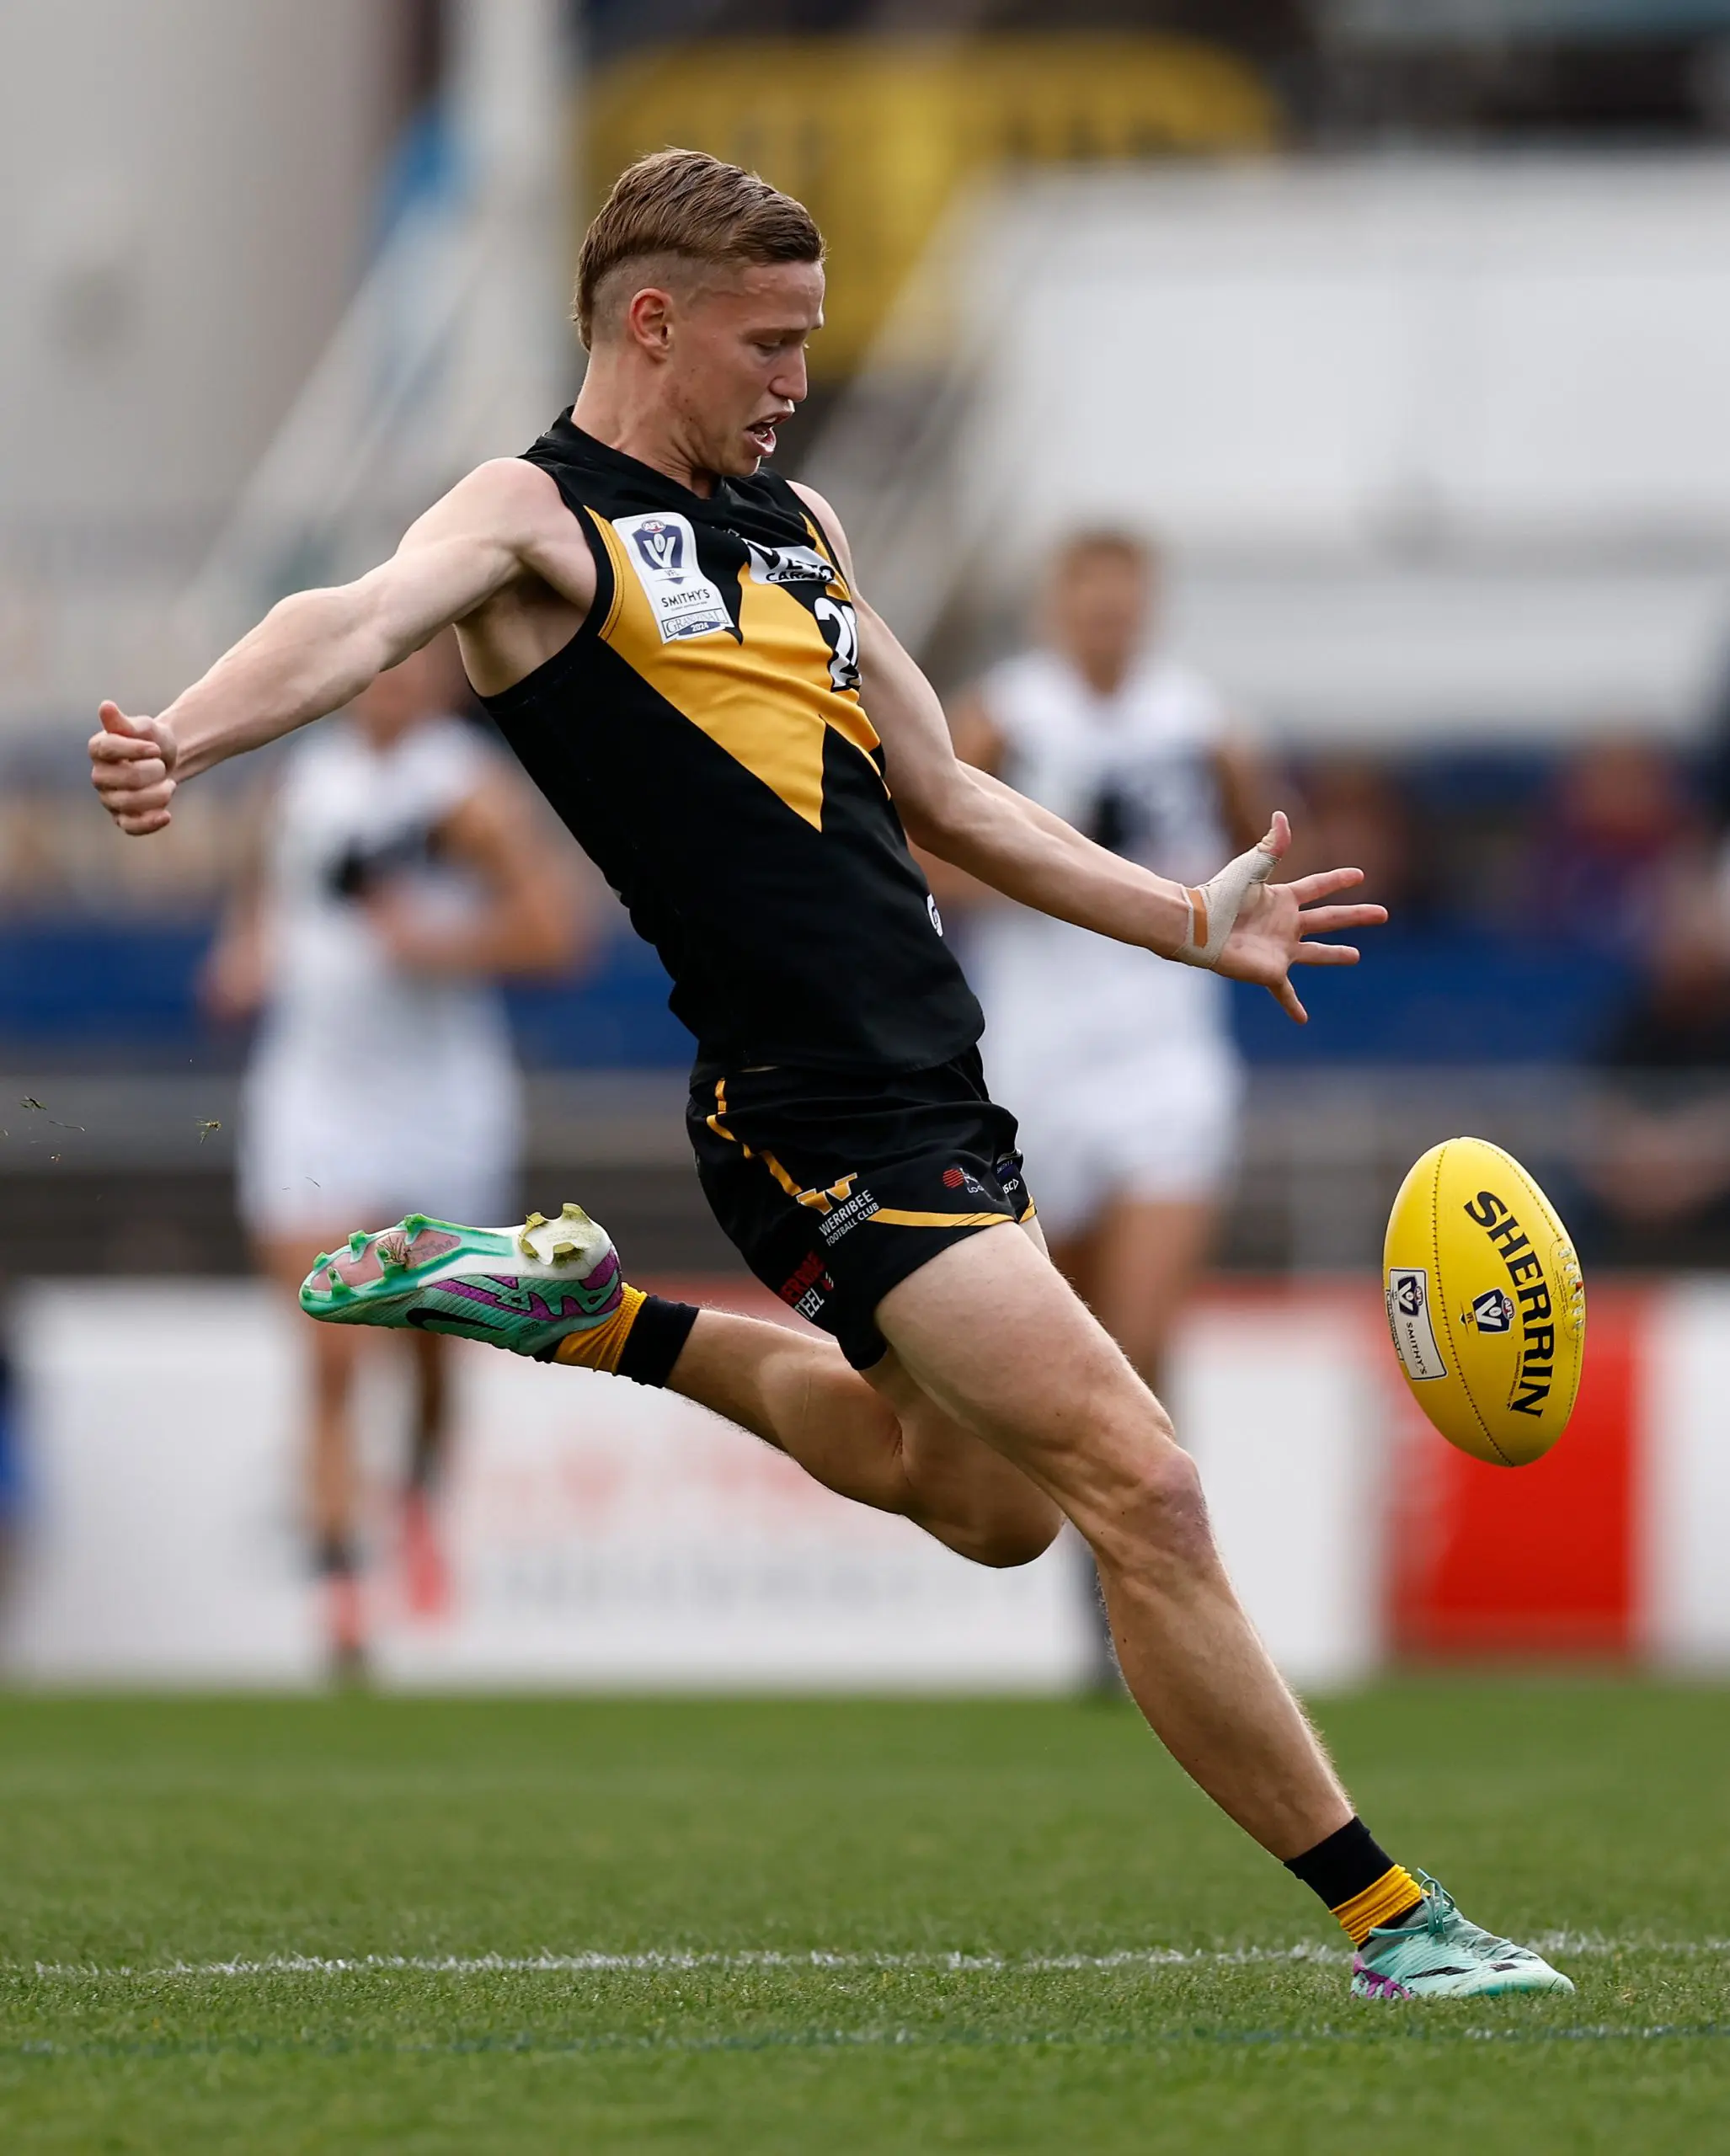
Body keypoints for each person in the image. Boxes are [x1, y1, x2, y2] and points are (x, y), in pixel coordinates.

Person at [89, 148, 1568, 1999]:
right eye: (767, 340)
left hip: (933, 1089)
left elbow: (947, 795)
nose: (798, 377)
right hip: (811, 1110)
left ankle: (595, 1316)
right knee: (1146, 1489)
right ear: (650, 322)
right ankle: (1391, 1916)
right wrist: (190, 733)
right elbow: (358, 613)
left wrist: (1189, 917)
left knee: (986, 1503)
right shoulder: (535, 516)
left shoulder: (804, 533)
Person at [201, 638, 579, 1674]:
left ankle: (416, 1499)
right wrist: (242, 961)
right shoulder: (300, 783)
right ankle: (339, 1591)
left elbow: (557, 935)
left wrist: (434, 942)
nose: (393, 688)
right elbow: (260, 915)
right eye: (377, 669)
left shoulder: (467, 794)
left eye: (413, 668)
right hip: (313, 1097)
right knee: (328, 1342)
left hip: (439, 1107)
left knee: (426, 1346)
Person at [946, 531, 1263, 1397]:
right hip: (1037, 1057)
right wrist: (1058, 870)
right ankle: (1104, 1527)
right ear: (1054, 611)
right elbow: (923, 860)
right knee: (1071, 1353)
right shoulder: (1004, 718)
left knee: (1141, 1334)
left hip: (1162, 1057)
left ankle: (1154, 1526)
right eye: (1089, 605)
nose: (1105, 625)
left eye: (1121, 607)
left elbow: (1265, 855)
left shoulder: (1199, 728)